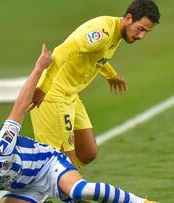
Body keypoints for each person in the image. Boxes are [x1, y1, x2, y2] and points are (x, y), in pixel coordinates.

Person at [0, 45, 157, 203]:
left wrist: (38, 69)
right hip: (25, 187)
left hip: (47, 165)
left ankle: (140, 202)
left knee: (78, 191)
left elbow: (20, 106)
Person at [29, 0, 161, 169]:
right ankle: (57, 189)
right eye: (141, 29)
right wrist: (43, 88)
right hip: (53, 95)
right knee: (63, 162)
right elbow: (61, 51)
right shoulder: (102, 32)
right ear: (129, 18)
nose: (141, 36)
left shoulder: (116, 33)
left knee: (87, 152)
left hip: (70, 96)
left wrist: (111, 75)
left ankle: (63, 185)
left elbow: (97, 56)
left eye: (146, 32)